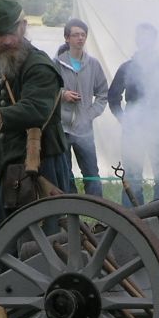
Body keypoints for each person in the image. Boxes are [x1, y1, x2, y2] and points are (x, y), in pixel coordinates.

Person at [0, 0, 70, 248]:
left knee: (49, 239)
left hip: (44, 162)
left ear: (23, 25)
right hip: (8, 164)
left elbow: (35, 110)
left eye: (11, 32)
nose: (6, 40)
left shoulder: (40, 66)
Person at [108, 22, 159, 206]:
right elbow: (113, 96)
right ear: (137, 40)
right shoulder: (127, 68)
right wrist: (124, 120)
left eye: (149, 37)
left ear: (154, 40)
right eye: (142, 37)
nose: (145, 41)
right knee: (132, 175)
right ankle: (132, 219)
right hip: (134, 129)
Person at [55, 18, 108, 197]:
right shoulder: (56, 63)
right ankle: (72, 212)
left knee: (92, 174)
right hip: (61, 129)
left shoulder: (93, 64)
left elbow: (103, 94)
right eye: (76, 35)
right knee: (65, 174)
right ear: (67, 38)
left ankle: (99, 214)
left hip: (84, 129)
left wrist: (89, 114)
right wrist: (63, 95)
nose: (80, 38)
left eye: (83, 35)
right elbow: (46, 91)